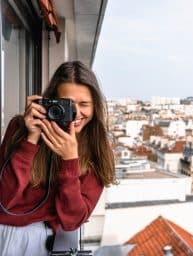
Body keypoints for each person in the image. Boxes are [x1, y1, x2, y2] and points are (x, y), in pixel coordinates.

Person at [0, 61, 116, 256]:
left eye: (84, 104)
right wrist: (31, 139)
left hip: (45, 241)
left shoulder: (97, 149)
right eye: (68, 104)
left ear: (95, 107)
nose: (76, 113)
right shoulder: (20, 127)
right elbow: (4, 199)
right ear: (51, 101)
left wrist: (70, 160)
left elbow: (73, 220)